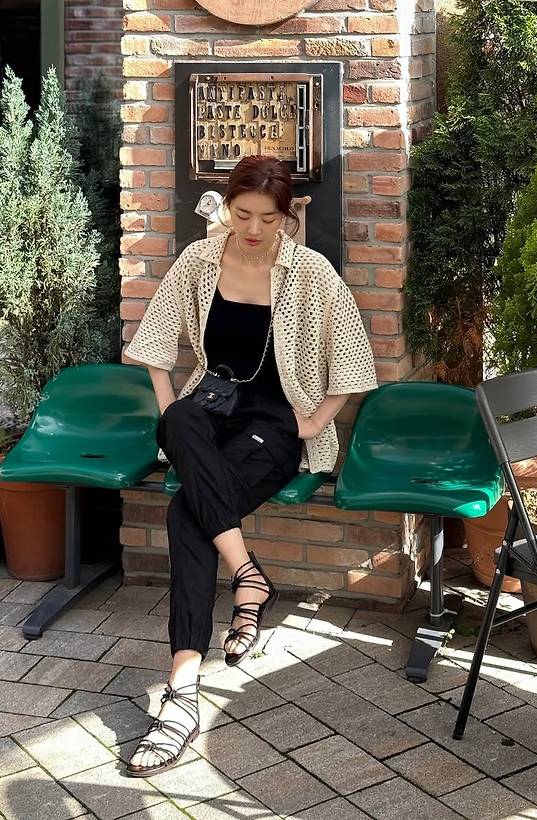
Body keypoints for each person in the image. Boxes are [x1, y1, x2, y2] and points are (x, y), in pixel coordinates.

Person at [122, 156, 378, 776]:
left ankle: (182, 691)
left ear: (287, 216)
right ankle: (246, 573)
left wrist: (314, 422)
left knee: (186, 515)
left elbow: (353, 359)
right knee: (178, 418)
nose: (255, 229)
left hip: (272, 426)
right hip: (210, 409)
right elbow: (155, 343)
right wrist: (170, 411)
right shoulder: (199, 260)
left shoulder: (310, 273)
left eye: (269, 218)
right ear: (228, 208)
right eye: (243, 215)